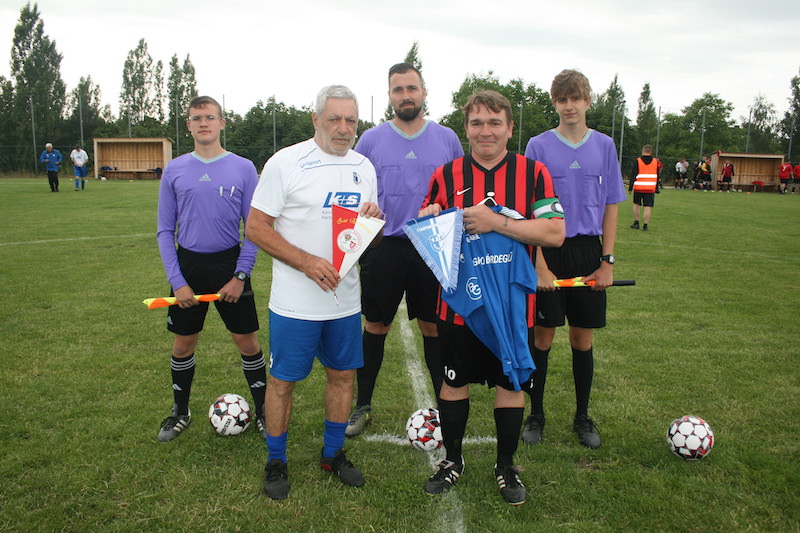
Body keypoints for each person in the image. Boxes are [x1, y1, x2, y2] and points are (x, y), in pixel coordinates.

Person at [418, 90, 565, 505]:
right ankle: (453, 460)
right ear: (466, 128)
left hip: (513, 307)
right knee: (453, 383)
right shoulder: (446, 175)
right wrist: (430, 218)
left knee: (510, 383)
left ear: (510, 129)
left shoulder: (533, 173)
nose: (486, 131)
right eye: (477, 123)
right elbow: (428, 226)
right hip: (459, 305)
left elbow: (555, 232)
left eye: (494, 123)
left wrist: (495, 222)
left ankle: (505, 466)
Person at [246, 85, 381, 500]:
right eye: (334, 119)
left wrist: (371, 223)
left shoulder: (364, 167)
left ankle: (332, 453)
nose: (343, 128)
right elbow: (256, 228)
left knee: (342, 376)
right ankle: (276, 460)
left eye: (351, 120)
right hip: (295, 303)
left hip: (344, 300)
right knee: (282, 382)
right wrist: (306, 262)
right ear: (316, 119)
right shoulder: (285, 163)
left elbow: (363, 240)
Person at [345, 62, 464, 437]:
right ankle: (362, 405)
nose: (406, 95)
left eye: (412, 88)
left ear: (424, 92)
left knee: (433, 326)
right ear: (390, 95)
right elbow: (354, 188)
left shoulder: (447, 138)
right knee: (375, 325)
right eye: (398, 89)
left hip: (432, 244)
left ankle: (446, 406)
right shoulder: (371, 139)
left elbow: (459, 191)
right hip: (384, 246)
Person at [522, 69, 626, 449]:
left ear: (587, 101)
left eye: (575, 98)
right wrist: (539, 264)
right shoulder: (538, 146)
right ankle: (536, 414)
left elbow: (611, 205)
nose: (569, 106)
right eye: (562, 99)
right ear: (555, 103)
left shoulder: (604, 146)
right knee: (543, 336)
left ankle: (582, 416)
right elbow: (529, 209)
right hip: (548, 249)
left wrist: (607, 261)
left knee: (582, 338)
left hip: (588, 251)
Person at [156, 96, 266, 444]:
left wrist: (240, 276)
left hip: (230, 266)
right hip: (188, 267)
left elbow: (254, 229)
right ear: (188, 125)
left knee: (247, 342)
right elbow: (164, 231)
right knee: (183, 344)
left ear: (222, 123)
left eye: (209, 117)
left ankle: (264, 412)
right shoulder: (174, 169)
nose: (203, 123)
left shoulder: (243, 168)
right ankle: (180, 412)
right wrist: (178, 282)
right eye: (196, 118)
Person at [629, 144, 659, 231]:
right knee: (647, 206)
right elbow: (657, 175)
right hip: (650, 188)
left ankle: (636, 223)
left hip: (639, 187)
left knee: (636, 204)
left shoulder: (638, 161)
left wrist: (630, 187)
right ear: (651, 152)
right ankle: (645, 225)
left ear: (643, 151)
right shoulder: (655, 162)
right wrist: (656, 188)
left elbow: (633, 175)